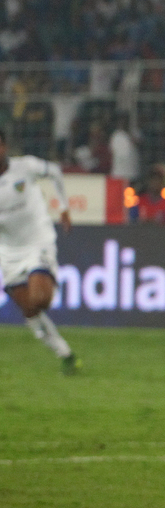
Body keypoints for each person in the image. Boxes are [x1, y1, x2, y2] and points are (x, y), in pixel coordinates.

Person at [0, 130, 80, 374]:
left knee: (40, 299)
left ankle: (48, 277)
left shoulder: (25, 167)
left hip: (38, 241)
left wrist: (64, 208)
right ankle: (66, 354)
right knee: (30, 311)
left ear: (4, 146)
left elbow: (54, 171)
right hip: (8, 251)